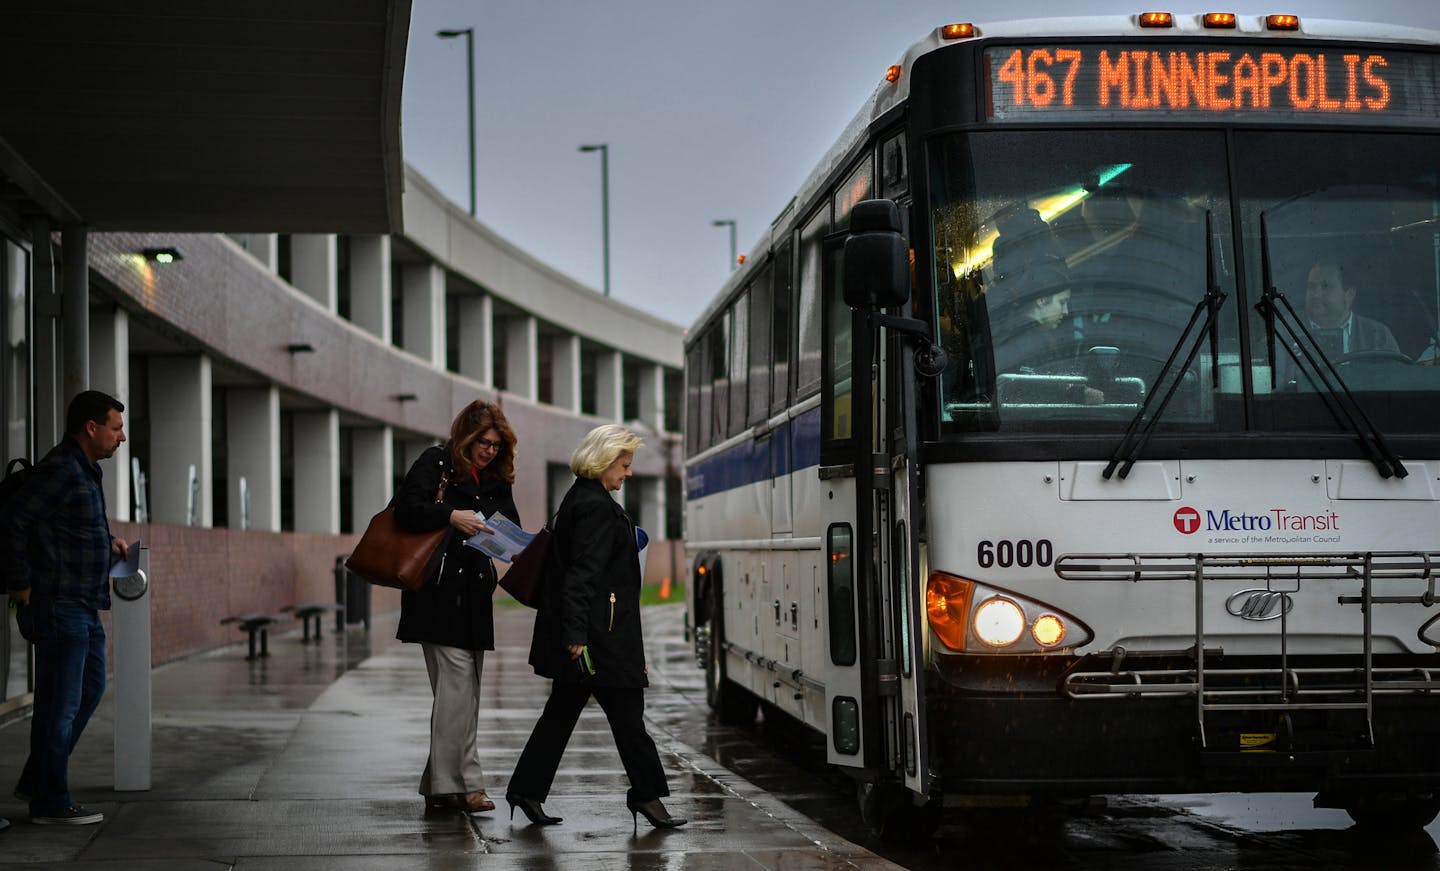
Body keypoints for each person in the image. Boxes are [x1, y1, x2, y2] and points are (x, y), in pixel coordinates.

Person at [507, 424, 686, 832]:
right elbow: (580, 576)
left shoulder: (583, 498)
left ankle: (526, 790)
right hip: (598, 639)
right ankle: (647, 796)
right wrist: (574, 636)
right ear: (603, 461)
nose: (627, 473)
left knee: (561, 715)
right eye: (623, 465)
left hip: (592, 633)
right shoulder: (593, 506)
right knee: (628, 717)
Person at [1, 390, 129, 825]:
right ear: (91, 428)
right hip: (59, 604)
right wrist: (20, 584)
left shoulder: (85, 470)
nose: (122, 436)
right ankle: (50, 802)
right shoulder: (60, 469)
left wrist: (104, 541)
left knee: (89, 688)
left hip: (83, 602)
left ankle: (40, 780)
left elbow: (64, 526)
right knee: (60, 704)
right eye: (115, 427)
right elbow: (14, 520)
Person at [394, 399, 520, 816]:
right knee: (457, 691)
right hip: (437, 593)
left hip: (475, 595)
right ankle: (463, 784)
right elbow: (406, 511)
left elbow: (509, 529)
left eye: (496, 445)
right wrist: (451, 516)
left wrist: (516, 543)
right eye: (483, 442)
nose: (489, 450)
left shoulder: (497, 479)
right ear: (466, 436)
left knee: (466, 694)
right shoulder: (437, 462)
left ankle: (439, 785)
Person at [1301, 261, 1400, 359]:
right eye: (1311, 286)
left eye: (1325, 286)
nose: (1316, 294)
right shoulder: (1288, 330)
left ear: (1349, 295)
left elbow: (1393, 374)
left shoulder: (1379, 335)